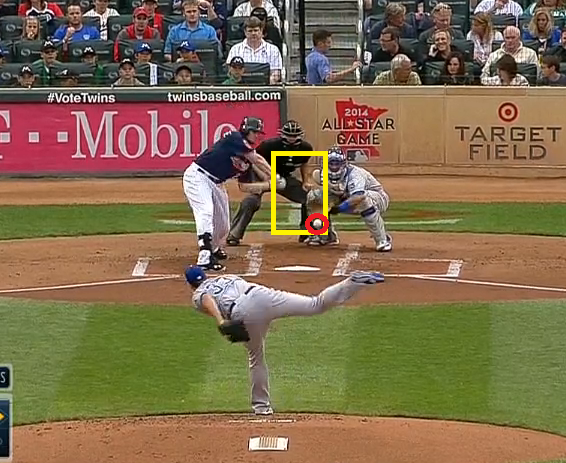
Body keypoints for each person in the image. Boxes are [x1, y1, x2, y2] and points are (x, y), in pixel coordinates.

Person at [184, 265, 385, 415]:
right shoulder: (226, 276)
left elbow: (207, 299)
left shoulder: (197, 295)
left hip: (243, 310)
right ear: (205, 275)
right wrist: (266, 318)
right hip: (262, 295)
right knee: (315, 304)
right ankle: (352, 282)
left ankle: (262, 407)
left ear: (190, 284)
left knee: (256, 357)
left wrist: (221, 321)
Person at [182, 117, 274, 271]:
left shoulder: (246, 161)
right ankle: (205, 257)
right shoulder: (234, 138)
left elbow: (244, 187)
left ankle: (214, 248)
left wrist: (267, 185)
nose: (257, 135)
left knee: (224, 225)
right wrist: (273, 175)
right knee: (205, 211)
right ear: (246, 130)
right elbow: (256, 158)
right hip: (198, 177)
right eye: (255, 132)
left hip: (217, 183)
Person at [226, 120, 319, 247]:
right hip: (261, 175)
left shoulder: (306, 148)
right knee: (251, 201)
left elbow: (304, 164)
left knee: (309, 197)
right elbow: (254, 161)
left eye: (294, 136)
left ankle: (306, 232)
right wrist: (266, 177)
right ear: (282, 134)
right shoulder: (269, 146)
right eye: (289, 135)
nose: (292, 138)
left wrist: (306, 181)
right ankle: (234, 234)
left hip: (283, 178)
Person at [305, 145, 392, 252]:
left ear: (343, 163)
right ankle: (325, 236)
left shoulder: (355, 175)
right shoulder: (321, 174)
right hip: (344, 196)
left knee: (364, 201)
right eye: (331, 163)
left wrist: (340, 208)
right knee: (314, 196)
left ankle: (382, 240)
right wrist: (326, 203)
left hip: (377, 199)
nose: (334, 167)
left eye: (337, 163)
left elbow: (359, 196)